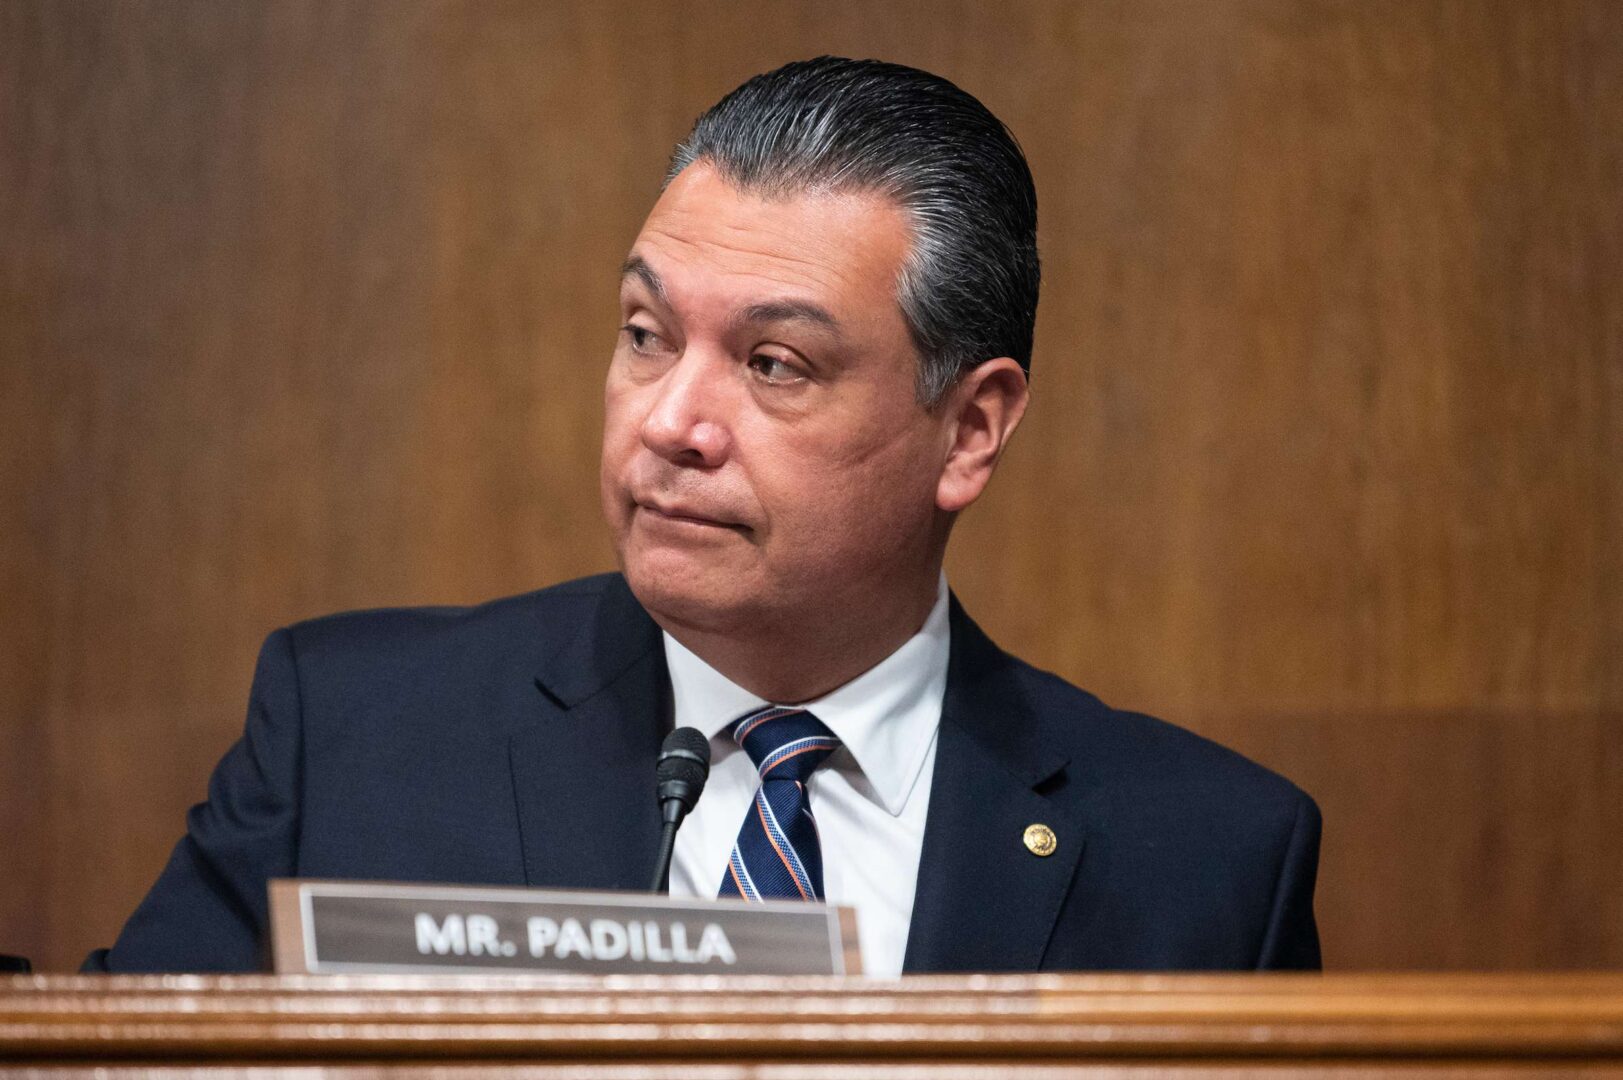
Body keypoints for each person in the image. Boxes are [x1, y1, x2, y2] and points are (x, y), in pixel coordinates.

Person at [88, 57, 1320, 975]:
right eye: (646, 335)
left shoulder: (1209, 861)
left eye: (774, 364)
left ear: (971, 429)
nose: (672, 419)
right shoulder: (352, 736)